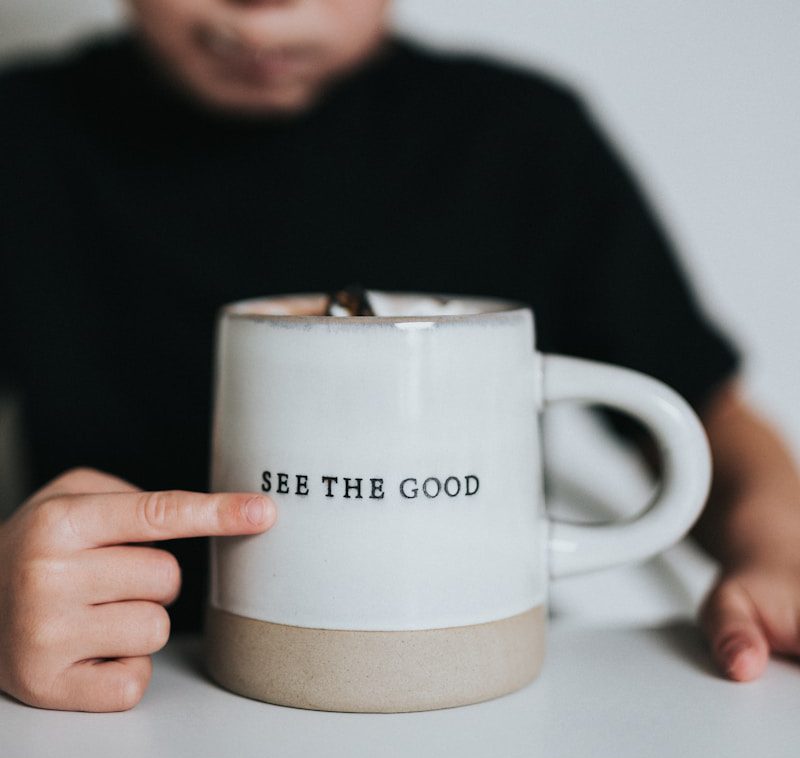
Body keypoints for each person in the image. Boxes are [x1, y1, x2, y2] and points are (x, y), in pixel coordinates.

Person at [0, 0, 798, 713]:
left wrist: (781, 551)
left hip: (491, 696)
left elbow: (700, 411)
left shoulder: (522, 136)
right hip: (127, 694)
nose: (269, 6)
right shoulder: (23, 135)